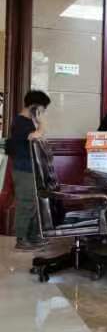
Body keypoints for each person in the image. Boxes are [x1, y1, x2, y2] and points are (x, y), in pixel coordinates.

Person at [7, 90, 51, 251]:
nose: (43, 112)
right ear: (34, 107)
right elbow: (34, 136)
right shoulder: (20, 121)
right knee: (26, 203)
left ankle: (32, 236)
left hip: (30, 168)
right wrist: (42, 122)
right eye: (42, 109)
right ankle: (21, 238)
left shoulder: (27, 121)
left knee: (33, 202)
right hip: (23, 169)